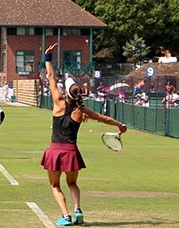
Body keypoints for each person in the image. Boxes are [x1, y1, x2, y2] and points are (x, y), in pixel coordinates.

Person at [41, 43, 127, 226]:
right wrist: (120, 125)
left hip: (55, 151)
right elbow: (102, 118)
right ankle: (77, 209)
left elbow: (51, 76)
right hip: (72, 152)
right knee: (72, 183)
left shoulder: (57, 102)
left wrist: (48, 58)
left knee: (55, 185)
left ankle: (65, 216)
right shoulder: (81, 110)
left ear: (66, 92)